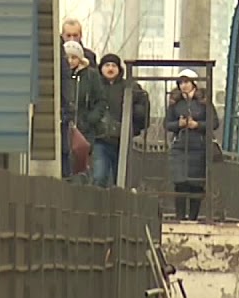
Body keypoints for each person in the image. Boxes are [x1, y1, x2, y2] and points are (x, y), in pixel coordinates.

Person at [163, 69, 219, 220]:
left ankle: (193, 217)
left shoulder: (204, 103)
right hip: (180, 146)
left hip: (198, 147)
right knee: (180, 182)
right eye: (180, 82)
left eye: (186, 81)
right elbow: (167, 124)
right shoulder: (175, 103)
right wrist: (179, 124)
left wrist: (197, 125)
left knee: (196, 184)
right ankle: (180, 217)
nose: (183, 85)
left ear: (194, 83)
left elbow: (214, 122)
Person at [91, 54, 150, 188]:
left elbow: (143, 109)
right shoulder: (95, 87)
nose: (110, 68)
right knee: (99, 177)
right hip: (100, 138)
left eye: (113, 65)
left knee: (121, 180)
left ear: (119, 69)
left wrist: (134, 127)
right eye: (107, 65)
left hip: (122, 140)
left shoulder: (130, 87)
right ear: (101, 68)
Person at [63, 40, 106, 180]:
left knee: (83, 164)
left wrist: (90, 119)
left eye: (74, 57)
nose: (70, 61)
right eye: (67, 57)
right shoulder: (60, 76)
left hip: (85, 129)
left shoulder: (91, 76)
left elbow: (100, 100)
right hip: (64, 125)